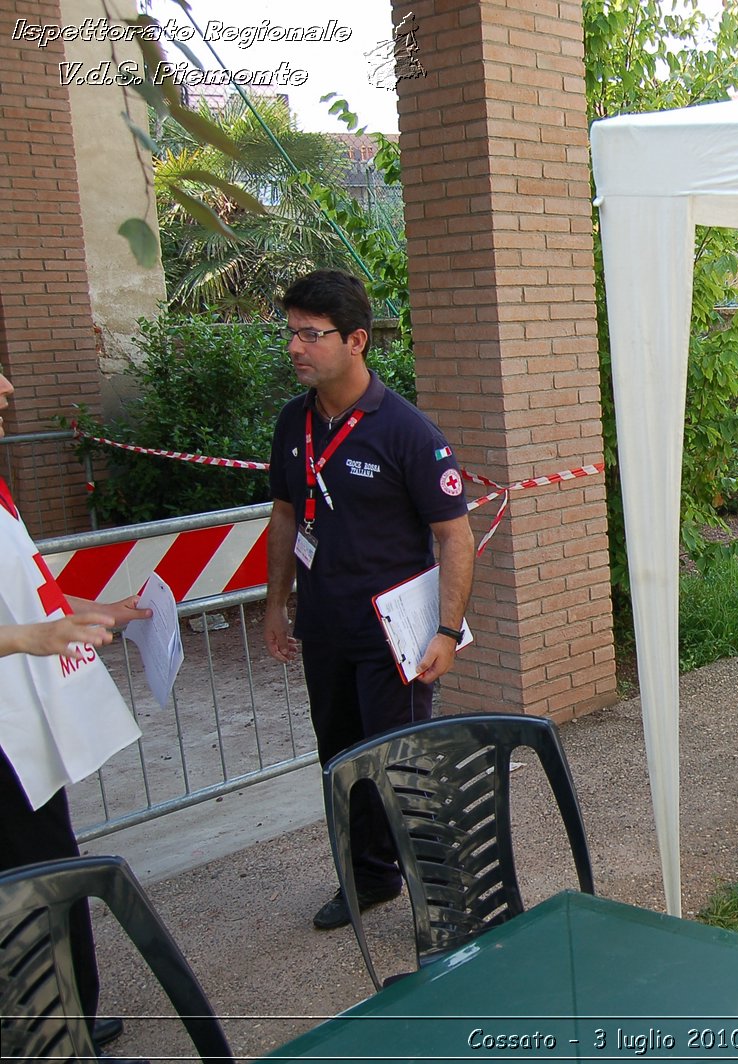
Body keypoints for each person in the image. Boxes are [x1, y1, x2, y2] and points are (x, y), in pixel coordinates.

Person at [263, 271, 475, 932]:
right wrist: (276, 604)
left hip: (395, 635)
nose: (296, 346)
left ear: (356, 340)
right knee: (342, 761)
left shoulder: (406, 430)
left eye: (311, 334)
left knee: (402, 765)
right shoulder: (294, 422)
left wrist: (445, 630)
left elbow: (455, 537)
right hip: (327, 627)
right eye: (291, 331)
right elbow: (284, 514)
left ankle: (441, 894)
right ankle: (368, 879)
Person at [0, 366, 149, 1058]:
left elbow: (23, 588)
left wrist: (88, 612)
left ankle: (67, 1017)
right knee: (30, 880)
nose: (7, 388)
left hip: (24, 728)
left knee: (48, 867)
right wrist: (29, 640)